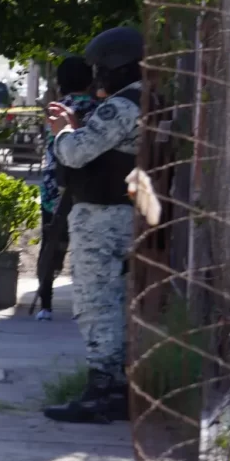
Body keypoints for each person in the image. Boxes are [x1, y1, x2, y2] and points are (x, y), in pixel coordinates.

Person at [43, 27, 143, 424]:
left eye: (101, 69)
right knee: (116, 302)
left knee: (96, 301)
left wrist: (64, 130)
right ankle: (115, 387)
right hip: (129, 215)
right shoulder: (152, 100)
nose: (97, 78)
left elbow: (76, 151)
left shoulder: (122, 105)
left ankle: (102, 391)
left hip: (104, 219)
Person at [35, 56, 98, 322]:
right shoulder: (99, 109)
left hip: (54, 185)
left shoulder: (55, 110)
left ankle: (45, 304)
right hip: (88, 184)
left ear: (60, 83)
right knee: (87, 245)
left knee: (51, 242)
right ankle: (85, 304)